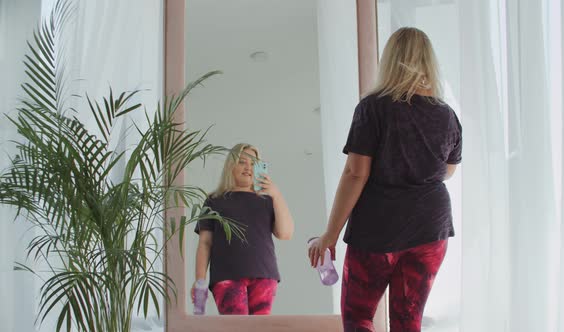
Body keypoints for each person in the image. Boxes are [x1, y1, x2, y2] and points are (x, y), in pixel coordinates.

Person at [308, 27, 462, 332]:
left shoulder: (373, 107)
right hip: (431, 228)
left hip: (379, 228)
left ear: (390, 60)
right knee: (408, 322)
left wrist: (330, 235)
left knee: (359, 318)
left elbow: (356, 173)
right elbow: (447, 170)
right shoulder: (446, 115)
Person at [193, 143, 294, 315]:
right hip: (226, 275)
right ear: (230, 166)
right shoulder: (213, 200)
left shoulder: (268, 200)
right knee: (236, 328)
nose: (248, 167)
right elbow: (205, 243)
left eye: (253, 163)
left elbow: (285, 233)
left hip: (264, 275)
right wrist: (200, 282)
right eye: (242, 162)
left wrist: (276, 194)